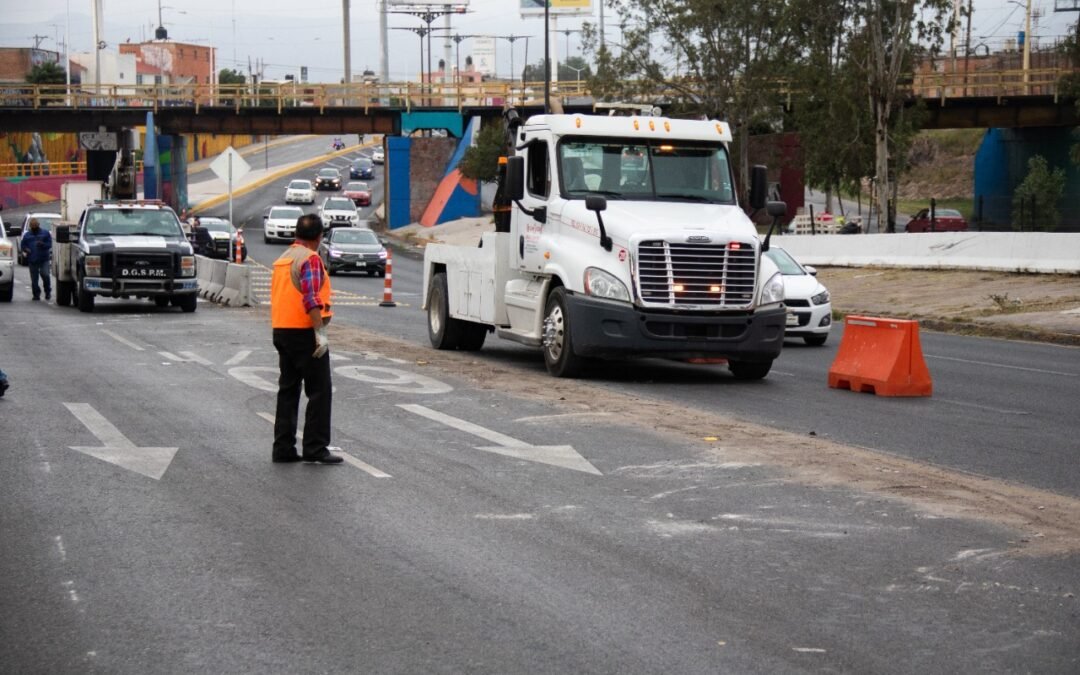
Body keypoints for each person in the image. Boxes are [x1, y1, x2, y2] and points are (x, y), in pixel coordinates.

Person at [270, 213, 342, 464]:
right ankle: (315, 448)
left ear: (296, 234)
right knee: (319, 391)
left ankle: (283, 448)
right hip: (304, 332)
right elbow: (311, 298)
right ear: (319, 237)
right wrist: (320, 334)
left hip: (281, 330)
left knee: (288, 391)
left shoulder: (284, 258)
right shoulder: (309, 258)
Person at [20, 218, 52, 301]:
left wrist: (43, 244)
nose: (34, 228)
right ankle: (36, 294)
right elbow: (23, 245)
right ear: (30, 227)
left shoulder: (45, 233)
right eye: (32, 227)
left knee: (45, 274)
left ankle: (47, 291)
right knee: (34, 279)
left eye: (36, 227)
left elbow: (49, 244)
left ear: (38, 226)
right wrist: (26, 249)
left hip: (43, 259)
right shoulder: (27, 235)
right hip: (32, 259)